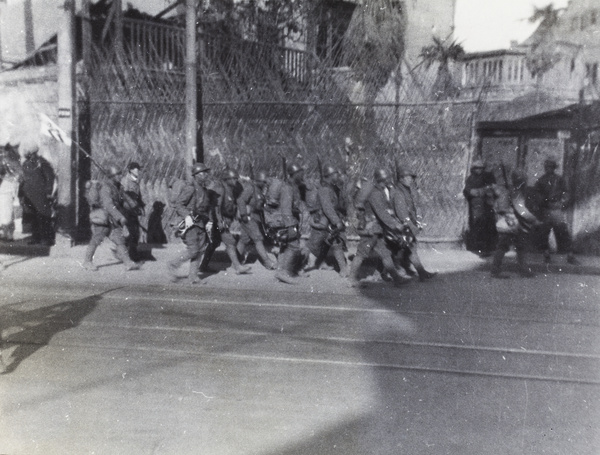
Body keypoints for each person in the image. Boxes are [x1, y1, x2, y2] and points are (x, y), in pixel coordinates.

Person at [346, 168, 411, 288]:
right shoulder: (375, 193)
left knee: (385, 254)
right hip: (370, 230)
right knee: (361, 253)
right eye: (388, 178)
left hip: (375, 228)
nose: (390, 180)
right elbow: (381, 213)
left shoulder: (378, 191)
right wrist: (396, 225)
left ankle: (396, 278)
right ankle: (351, 279)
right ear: (384, 179)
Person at [82, 165, 140, 271]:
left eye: (119, 174)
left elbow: (123, 198)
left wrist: (134, 206)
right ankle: (87, 262)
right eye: (117, 175)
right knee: (96, 240)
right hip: (104, 219)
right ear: (111, 176)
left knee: (120, 240)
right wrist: (120, 217)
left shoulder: (117, 187)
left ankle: (128, 262)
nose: (119, 176)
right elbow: (108, 205)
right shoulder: (105, 187)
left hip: (113, 219)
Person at [167, 162, 215, 283]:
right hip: (190, 223)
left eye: (205, 173)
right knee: (193, 249)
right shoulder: (191, 188)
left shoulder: (203, 189)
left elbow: (206, 208)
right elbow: (179, 204)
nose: (205, 175)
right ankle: (173, 264)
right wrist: (187, 216)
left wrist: (209, 221)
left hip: (201, 223)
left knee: (200, 250)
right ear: (197, 175)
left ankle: (193, 277)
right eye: (203, 173)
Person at [391, 165, 437, 282]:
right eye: (408, 177)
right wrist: (411, 225)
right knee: (408, 248)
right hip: (402, 225)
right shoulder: (399, 193)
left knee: (408, 248)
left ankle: (420, 272)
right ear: (401, 178)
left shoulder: (405, 190)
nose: (411, 179)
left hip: (406, 224)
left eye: (411, 177)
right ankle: (395, 272)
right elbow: (402, 213)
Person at [490, 169, 538, 279]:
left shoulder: (511, 190)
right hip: (510, 222)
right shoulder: (516, 192)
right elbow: (521, 210)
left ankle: (523, 270)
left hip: (510, 221)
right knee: (504, 246)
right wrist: (534, 219)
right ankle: (495, 270)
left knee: (519, 245)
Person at [263, 162, 305, 284]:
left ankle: (281, 271)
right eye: (300, 173)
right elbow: (286, 209)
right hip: (286, 222)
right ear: (294, 174)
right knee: (294, 246)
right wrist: (291, 227)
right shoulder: (288, 188)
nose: (302, 175)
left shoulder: (292, 186)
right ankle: (284, 272)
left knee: (285, 246)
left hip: (287, 220)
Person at [304, 165, 348, 276]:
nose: (338, 176)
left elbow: (337, 205)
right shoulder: (324, 190)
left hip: (329, 223)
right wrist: (336, 221)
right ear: (330, 175)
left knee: (335, 242)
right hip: (322, 223)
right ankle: (294, 266)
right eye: (335, 174)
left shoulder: (333, 188)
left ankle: (343, 270)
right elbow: (327, 207)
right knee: (311, 247)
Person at [533, 157, 578, 265]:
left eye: (550, 167)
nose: (548, 169)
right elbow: (537, 194)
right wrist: (543, 202)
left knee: (563, 232)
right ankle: (546, 254)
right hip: (546, 209)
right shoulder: (541, 180)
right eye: (547, 167)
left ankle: (570, 255)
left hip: (556, 209)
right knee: (544, 233)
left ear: (553, 168)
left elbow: (566, 193)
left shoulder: (560, 179)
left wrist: (561, 203)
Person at [236, 170, 276, 270]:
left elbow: (258, 205)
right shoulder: (251, 188)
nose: (265, 184)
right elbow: (241, 200)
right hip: (248, 217)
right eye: (263, 182)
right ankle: (268, 262)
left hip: (255, 218)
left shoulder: (259, 190)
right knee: (258, 238)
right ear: (258, 181)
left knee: (243, 240)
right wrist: (244, 214)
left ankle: (236, 262)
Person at [214, 168, 251, 275]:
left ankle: (203, 265)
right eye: (233, 179)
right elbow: (217, 207)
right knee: (230, 243)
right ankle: (238, 266)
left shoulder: (231, 189)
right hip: (220, 219)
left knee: (214, 244)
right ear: (227, 179)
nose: (236, 181)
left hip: (226, 219)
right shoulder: (221, 189)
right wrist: (220, 221)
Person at [19, 141, 56, 246]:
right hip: (29, 194)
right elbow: (23, 180)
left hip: (40, 194)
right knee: (32, 217)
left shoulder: (41, 162)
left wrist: (49, 191)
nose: (25, 153)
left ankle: (46, 239)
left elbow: (50, 177)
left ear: (32, 151)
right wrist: (21, 193)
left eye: (27, 151)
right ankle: (36, 237)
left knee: (43, 216)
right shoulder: (25, 163)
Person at [463, 159, 497, 257]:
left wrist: (482, 191)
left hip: (487, 205)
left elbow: (491, 189)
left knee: (488, 226)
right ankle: (479, 248)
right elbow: (468, 191)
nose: (479, 170)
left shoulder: (487, 176)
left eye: (480, 168)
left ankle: (488, 248)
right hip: (476, 206)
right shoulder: (471, 179)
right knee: (478, 225)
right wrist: (479, 192)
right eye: (476, 168)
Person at [120, 162, 145, 261]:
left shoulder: (135, 181)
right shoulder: (126, 181)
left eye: (138, 169)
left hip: (133, 210)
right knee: (131, 233)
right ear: (130, 170)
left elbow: (138, 196)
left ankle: (130, 254)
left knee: (135, 233)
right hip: (126, 210)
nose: (138, 171)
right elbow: (123, 196)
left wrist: (141, 206)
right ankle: (129, 255)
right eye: (136, 169)